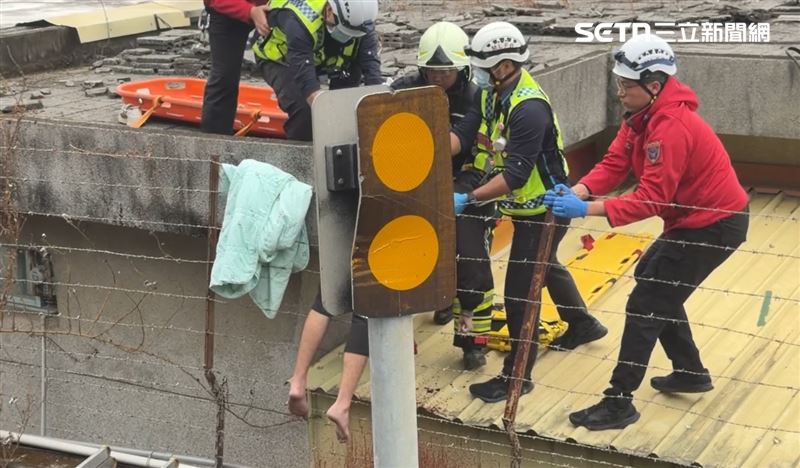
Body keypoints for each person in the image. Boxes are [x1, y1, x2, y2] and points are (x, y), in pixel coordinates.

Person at [547, 33, 749, 430]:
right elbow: (614, 163)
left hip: (715, 224)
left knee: (645, 302)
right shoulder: (641, 118)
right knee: (653, 283)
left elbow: (652, 198)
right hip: (694, 220)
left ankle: (619, 400)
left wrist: (586, 209)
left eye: (625, 85)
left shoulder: (669, 127)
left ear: (653, 86)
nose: (619, 92)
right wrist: (579, 189)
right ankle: (690, 372)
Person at [450, 21, 608, 403]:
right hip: (525, 208)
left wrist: (470, 199)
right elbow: (472, 136)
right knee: (544, 265)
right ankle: (583, 323)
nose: (480, 75)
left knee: (521, 292)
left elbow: (515, 176)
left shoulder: (529, 108)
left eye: (485, 67)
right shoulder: (492, 96)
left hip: (547, 209)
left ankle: (516, 378)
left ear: (504, 66)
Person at [392, 21, 493, 370]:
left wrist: (406, 138)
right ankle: (440, 297)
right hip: (420, 179)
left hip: (468, 183)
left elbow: (452, 145)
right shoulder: (403, 89)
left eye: (445, 72)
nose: (437, 78)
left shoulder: (475, 96)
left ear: (462, 69)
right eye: (431, 70)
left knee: (471, 261)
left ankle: (471, 341)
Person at [252, 0, 382, 141]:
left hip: (324, 55)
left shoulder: (362, 23)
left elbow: (372, 73)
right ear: (329, 10)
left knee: (347, 106)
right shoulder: (300, 20)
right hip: (281, 57)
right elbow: (306, 81)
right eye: (344, 32)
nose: (347, 38)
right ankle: (302, 157)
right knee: (305, 112)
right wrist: (321, 107)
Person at [200, 0, 269, 135]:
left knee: (294, 70)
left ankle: (303, 138)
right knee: (224, 77)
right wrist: (250, 11)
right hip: (227, 10)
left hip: (275, 6)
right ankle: (215, 145)